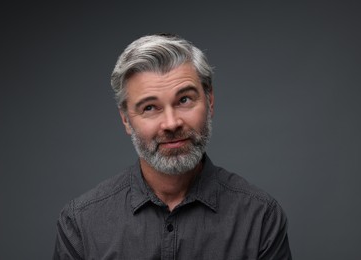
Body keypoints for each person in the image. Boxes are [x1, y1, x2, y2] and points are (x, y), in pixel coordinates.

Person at [53, 33, 292, 259]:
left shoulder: (261, 217)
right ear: (126, 119)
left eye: (184, 100)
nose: (171, 123)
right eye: (149, 107)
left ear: (210, 102)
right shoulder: (81, 223)